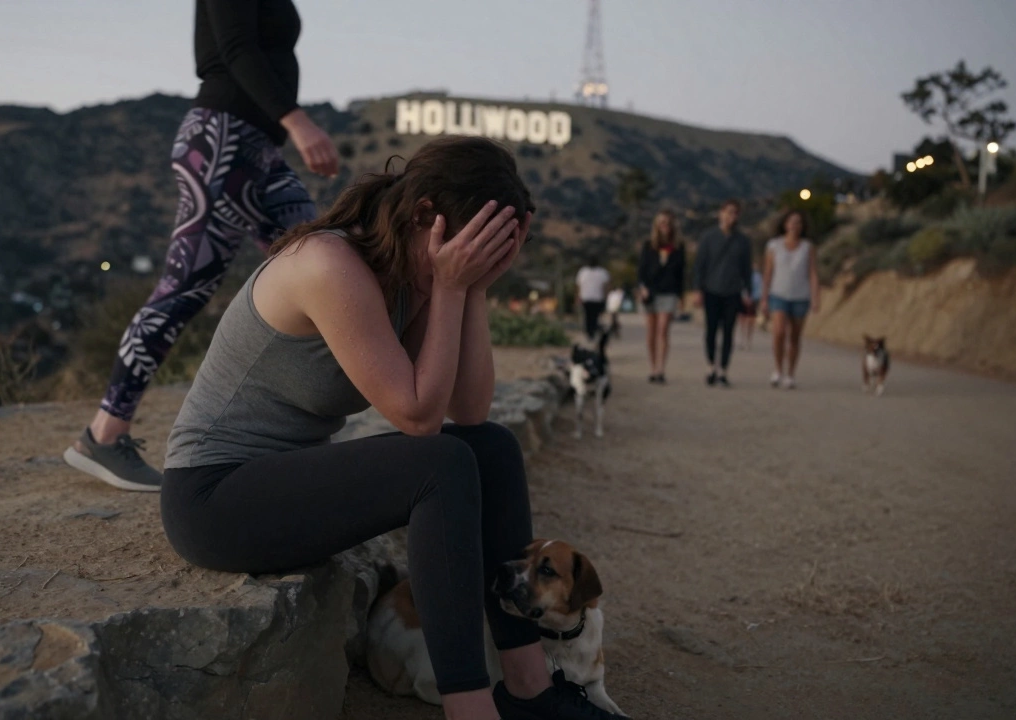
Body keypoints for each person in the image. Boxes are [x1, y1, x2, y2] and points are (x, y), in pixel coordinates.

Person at [161, 137, 623, 720]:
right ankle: (470, 709)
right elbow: (417, 416)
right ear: (425, 216)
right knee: (441, 463)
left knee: (492, 448)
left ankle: (529, 686)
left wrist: (472, 288)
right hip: (214, 498)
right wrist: (453, 286)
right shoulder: (329, 265)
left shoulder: (412, 274)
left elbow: (471, 411)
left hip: (280, 489)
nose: (466, 263)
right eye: (467, 248)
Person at [65, 0, 339, 491]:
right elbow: (234, 47)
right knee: (183, 290)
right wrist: (299, 122)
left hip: (257, 150)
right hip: (222, 143)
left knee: (327, 264)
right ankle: (104, 434)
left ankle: (296, 426)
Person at [692, 199, 752, 388]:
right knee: (711, 331)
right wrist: (697, 289)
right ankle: (711, 366)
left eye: (734, 213)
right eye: (728, 212)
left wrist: (748, 291)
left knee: (728, 332)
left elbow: (746, 269)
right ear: (720, 213)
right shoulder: (709, 237)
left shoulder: (743, 241)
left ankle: (723, 370)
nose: (730, 216)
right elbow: (700, 265)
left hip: (732, 291)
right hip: (711, 290)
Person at [761, 210, 820, 389]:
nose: (795, 226)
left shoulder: (807, 247)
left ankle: (790, 373)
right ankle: (778, 369)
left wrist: (815, 296)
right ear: (785, 225)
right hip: (778, 294)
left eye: (799, 223)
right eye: (792, 222)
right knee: (779, 332)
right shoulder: (774, 246)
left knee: (795, 336)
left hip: (800, 296)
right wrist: (764, 298)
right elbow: (768, 272)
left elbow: (812, 273)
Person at [637, 210, 685, 384]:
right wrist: (642, 288)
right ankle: (652, 367)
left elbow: (681, 273)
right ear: (657, 226)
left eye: (667, 222)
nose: (665, 226)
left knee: (663, 329)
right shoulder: (648, 245)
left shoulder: (678, 247)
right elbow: (641, 270)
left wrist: (680, 296)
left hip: (669, 292)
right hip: (650, 292)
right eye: (661, 223)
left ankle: (661, 368)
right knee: (651, 332)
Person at [575, 257, 610, 339]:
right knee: (594, 316)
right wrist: (606, 297)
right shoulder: (602, 272)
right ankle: (592, 330)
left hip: (586, 298)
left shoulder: (583, 272)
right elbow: (606, 286)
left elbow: (578, 286)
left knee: (588, 316)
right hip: (597, 298)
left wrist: (578, 296)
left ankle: (590, 331)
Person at [740, 261, 763, 349]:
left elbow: (760, 288)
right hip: (743, 298)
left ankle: (749, 340)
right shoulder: (742, 274)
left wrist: (753, 299)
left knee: (751, 320)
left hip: (753, 299)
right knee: (743, 319)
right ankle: (743, 338)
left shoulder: (757, 276)